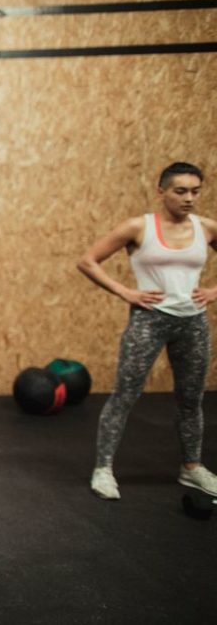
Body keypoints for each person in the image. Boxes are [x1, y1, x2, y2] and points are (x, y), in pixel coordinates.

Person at [77, 162, 217, 500]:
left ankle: (192, 468)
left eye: (195, 191)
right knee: (125, 396)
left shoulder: (207, 228)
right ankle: (104, 469)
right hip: (148, 321)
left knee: (191, 400)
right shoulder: (139, 228)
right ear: (162, 191)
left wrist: (214, 292)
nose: (189, 198)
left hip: (193, 323)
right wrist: (126, 292)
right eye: (180, 191)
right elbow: (87, 260)